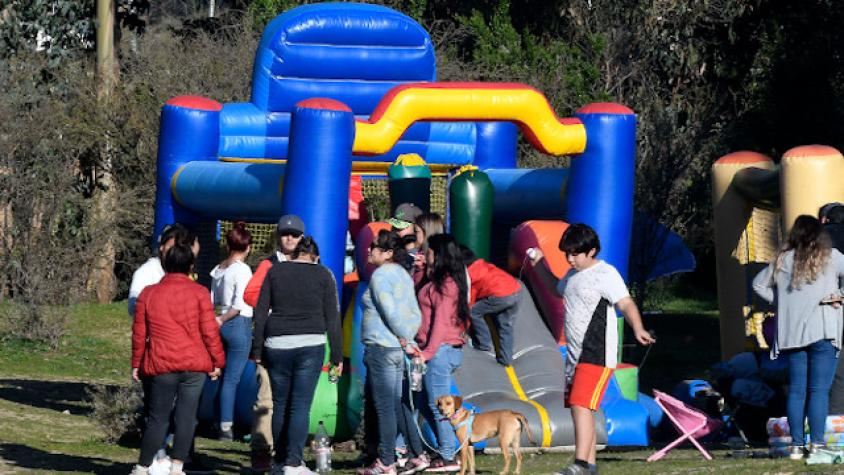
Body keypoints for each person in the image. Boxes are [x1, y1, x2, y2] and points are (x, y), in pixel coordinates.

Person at [528, 224, 653, 475]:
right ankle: (589, 465)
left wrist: (638, 327)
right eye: (567, 254)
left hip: (596, 352)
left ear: (592, 250)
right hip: (575, 356)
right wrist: (540, 263)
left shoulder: (605, 273)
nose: (570, 259)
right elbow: (555, 289)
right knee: (579, 409)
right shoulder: (572, 275)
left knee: (580, 405)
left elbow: (625, 302)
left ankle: (580, 464)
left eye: (575, 253)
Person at [131, 240, 225, 475]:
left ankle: (142, 467)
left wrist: (136, 363)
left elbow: (140, 333)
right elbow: (209, 331)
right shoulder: (200, 293)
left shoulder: (148, 294)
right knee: (186, 417)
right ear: (191, 265)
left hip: (161, 363)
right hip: (194, 365)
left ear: (165, 262)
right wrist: (217, 361)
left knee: (157, 418)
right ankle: (177, 467)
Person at [753, 215, 844, 459]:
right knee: (819, 391)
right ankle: (816, 444)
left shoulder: (782, 260)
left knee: (796, 391)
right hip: (823, 331)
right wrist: (840, 296)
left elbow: (758, 285)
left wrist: (783, 303)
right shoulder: (832, 257)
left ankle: (795, 445)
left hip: (792, 334)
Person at [252, 237, 343, 475]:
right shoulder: (324, 275)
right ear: (317, 257)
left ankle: (279, 461)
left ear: (295, 254)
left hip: (277, 343)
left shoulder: (275, 271)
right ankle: (294, 462)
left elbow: (260, 312)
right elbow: (332, 317)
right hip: (310, 343)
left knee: (280, 404)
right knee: (300, 405)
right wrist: (337, 356)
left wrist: (257, 350)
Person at [358, 230, 429, 475]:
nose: (369, 250)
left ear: (387, 253)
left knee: (385, 406)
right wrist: (408, 339)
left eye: (374, 247)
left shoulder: (380, 276)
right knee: (398, 404)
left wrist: (403, 338)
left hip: (383, 346)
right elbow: (413, 311)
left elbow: (391, 312)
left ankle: (386, 462)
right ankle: (418, 454)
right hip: (396, 349)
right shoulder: (403, 275)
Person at [243, 214, 305, 473]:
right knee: (266, 399)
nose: (289, 238)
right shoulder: (268, 265)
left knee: (297, 401)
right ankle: (261, 451)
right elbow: (249, 294)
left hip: (301, 342)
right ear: (278, 237)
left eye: (294, 234)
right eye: (284, 234)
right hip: (271, 341)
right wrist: (276, 304)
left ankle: (289, 455)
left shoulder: (308, 263)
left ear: (301, 237)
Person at [414, 234, 470, 473]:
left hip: (441, 350)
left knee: (438, 405)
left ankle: (448, 455)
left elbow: (441, 322)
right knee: (423, 402)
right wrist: (419, 270)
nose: (424, 255)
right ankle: (444, 447)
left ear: (438, 254)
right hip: (436, 349)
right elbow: (419, 293)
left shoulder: (447, 284)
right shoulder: (436, 279)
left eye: (428, 252)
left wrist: (428, 352)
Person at [210, 221, 254, 441]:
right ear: (248, 248)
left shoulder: (218, 270)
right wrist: (224, 318)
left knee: (217, 374)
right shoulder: (243, 270)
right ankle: (226, 427)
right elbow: (239, 304)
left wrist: (216, 319)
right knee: (232, 379)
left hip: (218, 323)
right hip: (238, 324)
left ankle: (214, 417)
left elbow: (212, 300)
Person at [460, 245, 523, 366]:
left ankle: (484, 343)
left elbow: (470, 304)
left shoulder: (471, 276)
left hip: (502, 296)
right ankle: (506, 358)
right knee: (506, 326)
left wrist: (465, 327)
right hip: (516, 290)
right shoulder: (483, 265)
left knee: (474, 312)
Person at [387, 203, 424, 271]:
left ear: (416, 227)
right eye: (395, 227)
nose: (397, 231)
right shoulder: (391, 248)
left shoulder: (424, 256)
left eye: (401, 228)